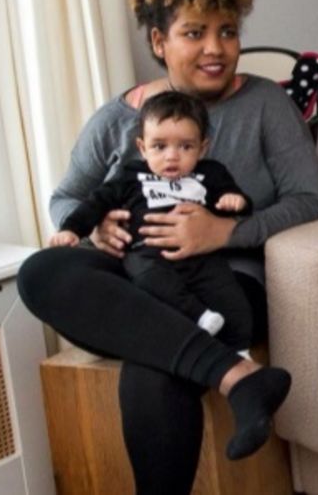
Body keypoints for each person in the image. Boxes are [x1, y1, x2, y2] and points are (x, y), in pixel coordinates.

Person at [19, 0, 318, 490]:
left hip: (226, 286)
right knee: (40, 273)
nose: (216, 48)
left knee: (155, 365)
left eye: (227, 31)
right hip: (140, 278)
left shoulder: (265, 105)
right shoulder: (118, 119)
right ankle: (240, 378)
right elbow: (68, 196)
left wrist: (223, 232)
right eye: (195, 32)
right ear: (159, 41)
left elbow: (308, 202)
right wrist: (100, 227)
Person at [50, 91, 254, 351]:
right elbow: (96, 203)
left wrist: (235, 201)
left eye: (185, 147)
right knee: (147, 280)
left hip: (201, 257)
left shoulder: (210, 173)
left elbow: (236, 202)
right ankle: (199, 316)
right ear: (142, 147)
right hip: (147, 254)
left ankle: (241, 351)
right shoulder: (130, 176)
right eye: (159, 146)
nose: (172, 156)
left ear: (202, 147)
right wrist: (72, 229)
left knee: (231, 297)